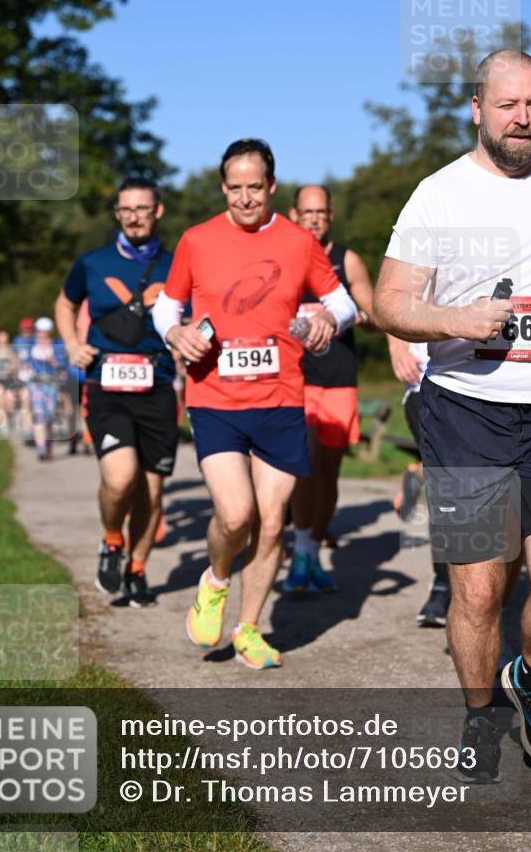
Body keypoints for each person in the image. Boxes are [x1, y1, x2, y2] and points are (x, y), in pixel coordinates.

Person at [373, 49, 531, 780]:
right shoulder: (438, 196)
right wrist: (453, 320)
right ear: (476, 109)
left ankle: (528, 678)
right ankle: (478, 713)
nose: (521, 119)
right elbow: (388, 304)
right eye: (506, 106)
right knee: (477, 586)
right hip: (464, 412)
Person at [152, 139, 357, 669]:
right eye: (235, 188)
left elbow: (342, 302)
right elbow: (167, 308)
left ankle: (248, 630)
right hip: (214, 397)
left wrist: (329, 321)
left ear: (271, 186)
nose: (245, 198)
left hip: (281, 399)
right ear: (223, 188)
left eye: (255, 187)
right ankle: (216, 578)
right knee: (237, 514)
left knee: (271, 524)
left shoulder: (297, 242)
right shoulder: (196, 241)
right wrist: (175, 334)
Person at [55, 178, 178, 608]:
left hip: (159, 385)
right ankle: (111, 541)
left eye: (142, 208)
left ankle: (138, 568)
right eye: (126, 210)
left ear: (157, 211)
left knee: (153, 491)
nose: (134, 216)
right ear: (116, 214)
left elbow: (197, 313)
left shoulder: (177, 264)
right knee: (120, 476)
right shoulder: (92, 262)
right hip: (105, 385)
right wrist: (72, 345)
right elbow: (65, 303)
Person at [282, 184, 374, 594]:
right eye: (307, 212)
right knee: (305, 462)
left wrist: (343, 315)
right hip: (295, 379)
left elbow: (374, 312)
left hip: (337, 377)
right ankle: (298, 549)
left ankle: (313, 549)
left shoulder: (346, 259)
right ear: (294, 215)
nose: (314, 218)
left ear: (330, 217)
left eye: (321, 212)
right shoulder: (284, 255)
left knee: (328, 472)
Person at [388, 338, 451, 626]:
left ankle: (417, 474)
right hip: (424, 378)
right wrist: (397, 348)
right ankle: (442, 582)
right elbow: (392, 294)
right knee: (445, 483)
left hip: (486, 379)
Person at [27, 317, 60, 461]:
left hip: (51, 385)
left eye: (45, 331)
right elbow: (24, 363)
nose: (42, 334)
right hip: (36, 385)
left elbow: (62, 367)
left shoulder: (57, 345)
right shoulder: (30, 345)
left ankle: (48, 445)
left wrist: (51, 359)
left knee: (49, 418)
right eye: (40, 331)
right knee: (39, 416)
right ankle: (41, 449)